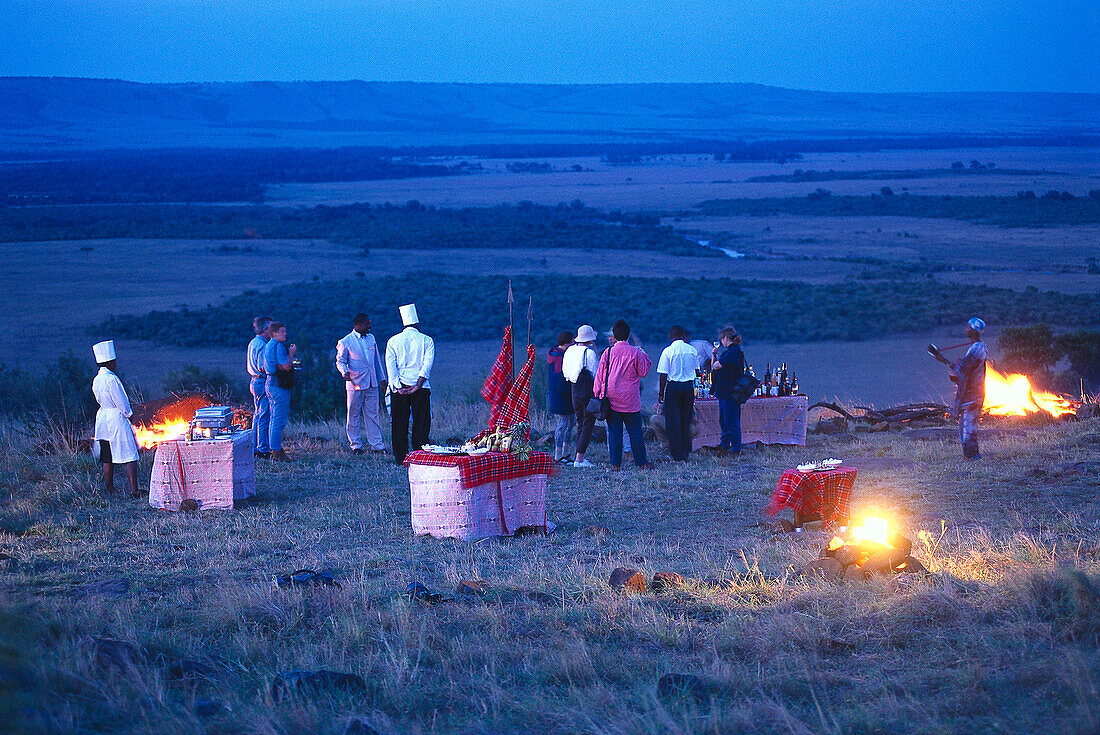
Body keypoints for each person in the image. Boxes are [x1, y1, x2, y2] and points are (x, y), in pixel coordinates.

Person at [593, 319, 652, 470]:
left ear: (614, 335)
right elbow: (643, 372)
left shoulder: (608, 352)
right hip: (631, 398)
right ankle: (641, 463)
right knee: (635, 431)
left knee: (614, 433)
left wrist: (598, 393)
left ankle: (615, 465)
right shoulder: (635, 352)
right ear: (628, 335)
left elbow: (600, 375)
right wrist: (643, 354)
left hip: (611, 398)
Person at [385, 303, 435, 464]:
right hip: (420, 388)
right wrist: (418, 385)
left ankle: (401, 457)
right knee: (421, 421)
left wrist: (398, 387)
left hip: (400, 388)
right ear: (417, 324)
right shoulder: (427, 340)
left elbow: (390, 365)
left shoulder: (393, 341)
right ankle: (420, 454)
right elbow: (427, 365)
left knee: (399, 423)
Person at [91, 340, 140, 497]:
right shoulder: (112, 379)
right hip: (116, 417)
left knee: (107, 455)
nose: (116, 363)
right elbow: (121, 401)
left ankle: (109, 488)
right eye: (114, 361)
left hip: (103, 417)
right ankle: (134, 491)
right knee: (130, 454)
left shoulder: (97, 379)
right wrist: (130, 415)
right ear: (110, 362)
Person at [336, 313, 388, 454]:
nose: (369, 327)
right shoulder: (346, 341)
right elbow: (340, 361)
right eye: (367, 324)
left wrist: (381, 379)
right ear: (358, 325)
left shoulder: (371, 338)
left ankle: (377, 445)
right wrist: (344, 372)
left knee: (373, 414)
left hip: (372, 383)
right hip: (355, 383)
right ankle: (356, 445)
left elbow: (376, 360)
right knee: (353, 414)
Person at [657, 325, 699, 461]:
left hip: (673, 386)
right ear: (683, 336)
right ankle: (686, 450)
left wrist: (661, 393)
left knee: (673, 421)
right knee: (685, 419)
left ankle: (677, 453)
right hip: (688, 387)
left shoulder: (668, 351)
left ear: (671, 337)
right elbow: (697, 371)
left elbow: (663, 374)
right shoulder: (692, 350)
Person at [563, 324, 600, 468]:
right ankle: (579, 458)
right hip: (586, 388)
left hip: (573, 388)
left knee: (580, 421)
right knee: (588, 422)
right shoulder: (588, 353)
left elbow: (565, 371)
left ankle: (578, 454)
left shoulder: (570, 351)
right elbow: (596, 373)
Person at [951, 317, 988, 460]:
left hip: (974, 393)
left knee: (969, 427)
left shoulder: (978, 348)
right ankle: (970, 455)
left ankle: (973, 457)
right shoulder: (976, 347)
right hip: (970, 393)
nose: (966, 329)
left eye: (968, 327)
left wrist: (956, 365)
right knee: (963, 427)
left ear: (974, 330)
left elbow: (964, 368)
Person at [264, 321, 297, 462]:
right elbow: (287, 366)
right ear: (275, 333)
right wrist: (291, 354)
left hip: (269, 383)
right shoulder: (278, 346)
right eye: (282, 331)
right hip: (278, 385)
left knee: (273, 419)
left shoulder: (268, 345)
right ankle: (276, 452)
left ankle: (275, 448)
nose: (285, 333)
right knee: (278, 419)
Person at [710, 325, 745, 455]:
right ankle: (725, 445)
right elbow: (715, 366)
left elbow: (717, 366)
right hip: (725, 392)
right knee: (724, 420)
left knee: (731, 421)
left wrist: (715, 357)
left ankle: (736, 448)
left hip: (730, 392)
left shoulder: (733, 352)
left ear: (725, 338)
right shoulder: (731, 352)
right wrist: (714, 355)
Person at [546, 330, 575, 464]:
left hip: (562, 395)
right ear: (568, 342)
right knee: (563, 424)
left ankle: (565, 452)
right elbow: (559, 380)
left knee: (570, 423)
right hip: (561, 396)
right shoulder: (559, 358)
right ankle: (558, 455)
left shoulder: (556, 354)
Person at [247, 315, 273, 459]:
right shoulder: (263, 345)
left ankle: (254, 446)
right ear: (264, 329)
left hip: (254, 381)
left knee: (257, 415)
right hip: (262, 382)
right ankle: (263, 449)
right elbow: (263, 367)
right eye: (270, 328)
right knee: (264, 416)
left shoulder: (253, 343)